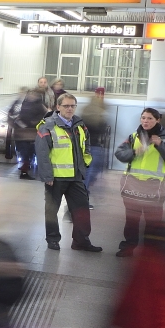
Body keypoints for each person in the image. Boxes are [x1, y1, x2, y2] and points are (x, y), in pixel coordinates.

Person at [35, 93, 102, 251]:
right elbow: (42, 152)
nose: (70, 109)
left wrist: (85, 165)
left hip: (76, 177)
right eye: (66, 106)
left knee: (82, 209)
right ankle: (53, 239)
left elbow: (86, 146)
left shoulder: (79, 125)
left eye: (72, 105)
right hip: (56, 178)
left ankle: (81, 241)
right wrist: (47, 175)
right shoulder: (48, 126)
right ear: (58, 107)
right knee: (52, 210)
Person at [114, 107, 165, 257]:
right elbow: (119, 153)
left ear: (158, 120)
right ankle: (128, 247)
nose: (145, 121)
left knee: (153, 222)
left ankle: (149, 251)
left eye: (150, 118)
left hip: (155, 187)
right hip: (132, 184)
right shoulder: (134, 137)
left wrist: (161, 145)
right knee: (132, 220)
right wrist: (133, 152)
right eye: (143, 118)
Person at [7, 86, 47, 178]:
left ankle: (27, 169)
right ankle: (25, 170)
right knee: (25, 153)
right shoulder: (19, 103)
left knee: (30, 152)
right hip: (23, 134)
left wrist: (33, 124)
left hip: (31, 134)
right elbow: (10, 115)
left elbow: (44, 116)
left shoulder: (38, 104)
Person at [80, 87, 111, 199]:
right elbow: (101, 128)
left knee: (89, 169)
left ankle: (83, 191)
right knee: (92, 169)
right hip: (93, 144)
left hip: (87, 144)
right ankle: (83, 193)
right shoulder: (99, 112)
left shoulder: (86, 109)